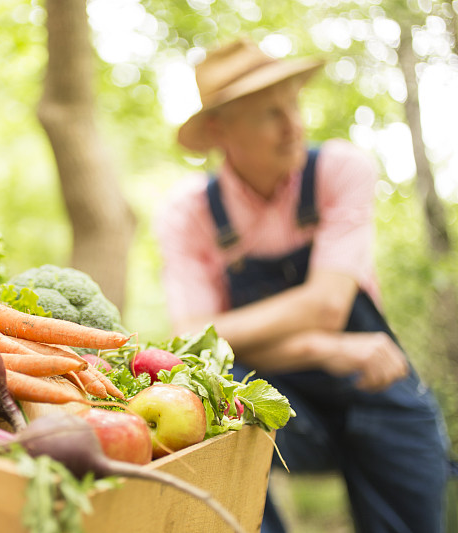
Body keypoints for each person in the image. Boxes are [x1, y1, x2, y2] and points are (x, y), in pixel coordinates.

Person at [154, 37, 452, 532]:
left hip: (377, 387)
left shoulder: (340, 169)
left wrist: (305, 332)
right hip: (281, 404)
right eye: (270, 113)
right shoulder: (190, 214)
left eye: (293, 103)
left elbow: (327, 306)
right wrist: (322, 348)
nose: (294, 125)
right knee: (210, 402)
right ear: (218, 129)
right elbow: (192, 339)